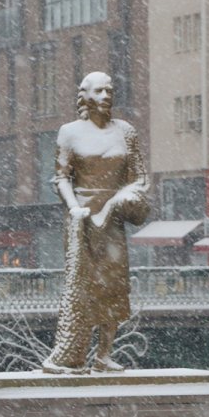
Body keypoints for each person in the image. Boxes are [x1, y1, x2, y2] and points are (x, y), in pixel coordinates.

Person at [42, 71, 151, 374]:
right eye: (99, 91)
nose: (106, 96)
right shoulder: (69, 132)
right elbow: (61, 177)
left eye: (110, 90)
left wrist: (122, 198)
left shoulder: (125, 131)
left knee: (113, 284)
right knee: (84, 286)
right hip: (82, 219)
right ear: (85, 95)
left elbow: (140, 177)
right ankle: (71, 352)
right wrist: (75, 207)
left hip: (113, 218)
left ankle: (104, 354)